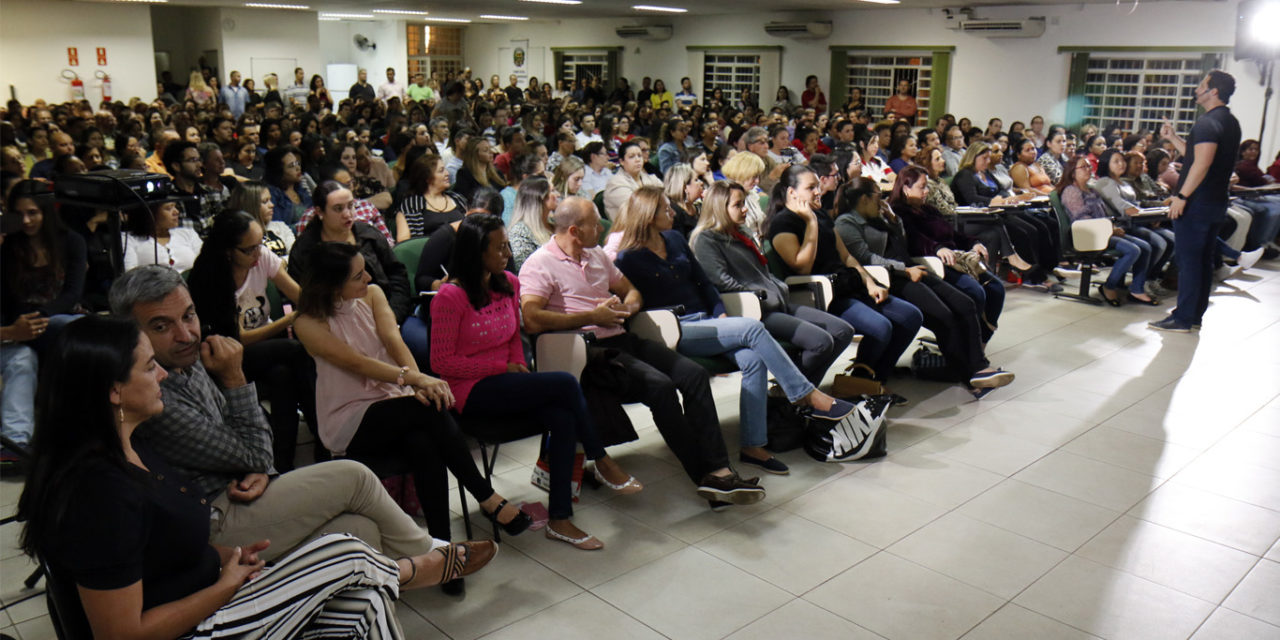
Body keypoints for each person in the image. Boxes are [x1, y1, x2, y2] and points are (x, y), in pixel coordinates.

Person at [15, 315, 495, 639]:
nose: (162, 374)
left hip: (211, 590)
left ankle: (402, 570)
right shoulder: (98, 493)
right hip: (196, 627)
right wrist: (225, 584)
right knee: (347, 554)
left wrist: (229, 556)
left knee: (366, 597)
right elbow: (123, 635)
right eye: (148, 367)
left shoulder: (128, 446)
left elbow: (166, 545)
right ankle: (415, 568)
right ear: (114, 391)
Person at [520, 196, 766, 501]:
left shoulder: (596, 255)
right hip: (585, 350)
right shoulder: (540, 264)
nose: (602, 227)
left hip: (621, 335)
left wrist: (627, 306)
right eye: (595, 223)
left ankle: (719, 470)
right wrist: (589, 317)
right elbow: (530, 318)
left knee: (693, 374)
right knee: (660, 386)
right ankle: (707, 474)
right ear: (574, 230)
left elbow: (631, 290)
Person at [431, 215, 641, 549]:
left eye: (506, 246)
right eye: (498, 248)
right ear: (476, 252)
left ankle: (560, 519)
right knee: (564, 384)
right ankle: (600, 458)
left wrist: (515, 361)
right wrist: (501, 365)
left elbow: (515, 335)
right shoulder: (450, 297)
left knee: (562, 414)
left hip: (503, 381)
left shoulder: (508, 283)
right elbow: (441, 363)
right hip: (469, 391)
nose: (506, 253)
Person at [615, 185, 858, 458]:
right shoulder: (628, 258)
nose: (672, 212)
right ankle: (804, 393)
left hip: (707, 321)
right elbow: (635, 304)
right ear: (648, 215)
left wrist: (719, 311)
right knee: (752, 327)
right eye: (665, 208)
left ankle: (752, 444)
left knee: (752, 360)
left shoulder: (674, 239)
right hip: (674, 328)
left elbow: (704, 283)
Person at [837, 178, 1014, 397]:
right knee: (943, 315)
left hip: (911, 269)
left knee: (964, 303)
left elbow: (901, 242)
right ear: (863, 199)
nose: (881, 200)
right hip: (891, 278)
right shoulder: (846, 223)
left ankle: (978, 365)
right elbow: (865, 257)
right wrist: (903, 269)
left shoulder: (878, 218)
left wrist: (893, 220)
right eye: (877, 196)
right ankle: (971, 375)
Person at [692, 180, 855, 403]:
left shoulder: (743, 232)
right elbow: (721, 282)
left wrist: (778, 289)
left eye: (744, 203)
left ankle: (790, 393)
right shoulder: (706, 240)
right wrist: (763, 294)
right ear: (720, 207)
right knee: (821, 342)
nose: (745, 209)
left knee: (843, 331)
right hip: (753, 310)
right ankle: (795, 397)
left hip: (776, 301)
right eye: (738, 205)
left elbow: (764, 272)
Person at [768, 165, 921, 395]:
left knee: (911, 316)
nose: (818, 192)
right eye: (811, 188)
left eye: (818, 187)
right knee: (881, 327)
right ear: (792, 193)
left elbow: (846, 255)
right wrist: (810, 224)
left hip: (848, 284)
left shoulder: (819, 214)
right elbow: (801, 266)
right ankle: (863, 383)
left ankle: (867, 378)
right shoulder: (784, 223)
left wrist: (869, 282)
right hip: (823, 294)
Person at [187, 210, 316, 472]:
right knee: (296, 351)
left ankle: (282, 461)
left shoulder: (260, 257)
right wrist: (288, 321)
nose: (258, 254)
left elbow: (299, 296)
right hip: (227, 354)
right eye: (249, 249)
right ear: (228, 251)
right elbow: (237, 339)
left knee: (283, 376)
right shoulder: (209, 277)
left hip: (266, 348)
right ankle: (322, 430)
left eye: (261, 244)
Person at [1150, 71, 1242, 331]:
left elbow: (1201, 164)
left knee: (1190, 263)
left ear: (1213, 92)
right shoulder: (1229, 121)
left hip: (1198, 204)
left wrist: (1181, 196)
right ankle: (1193, 316)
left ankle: (1182, 318)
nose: (1196, 89)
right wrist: (1173, 138)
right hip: (1215, 202)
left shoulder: (1206, 122)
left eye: (1201, 85)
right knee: (1201, 262)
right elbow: (1195, 155)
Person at [290, 181, 412, 323]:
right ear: (320, 212)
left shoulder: (369, 234)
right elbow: (301, 297)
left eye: (351, 206)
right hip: (331, 323)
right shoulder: (305, 249)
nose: (348, 214)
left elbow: (397, 275)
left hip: (385, 312)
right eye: (338, 209)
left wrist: (392, 315)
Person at [1058, 155, 1156, 307]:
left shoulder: (1092, 190)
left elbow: (1103, 215)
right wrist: (1110, 229)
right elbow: (1082, 219)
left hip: (1103, 231)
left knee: (1146, 247)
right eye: (1083, 167)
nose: (1088, 170)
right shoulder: (1072, 191)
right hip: (1087, 234)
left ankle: (1137, 288)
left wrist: (1112, 227)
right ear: (1072, 173)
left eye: (1089, 166)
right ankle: (1109, 286)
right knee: (1133, 250)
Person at [1092, 148, 1175, 297]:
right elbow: (1123, 206)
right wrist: (1146, 214)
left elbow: (1137, 204)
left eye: (1122, 161)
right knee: (1158, 243)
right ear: (1106, 164)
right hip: (1121, 225)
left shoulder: (1123, 182)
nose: (1121, 164)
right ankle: (1140, 283)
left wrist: (1152, 213)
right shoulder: (1105, 182)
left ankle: (1146, 280)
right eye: (1116, 161)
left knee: (1168, 241)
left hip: (1134, 222)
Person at [393, 154, 466, 241]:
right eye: (441, 171)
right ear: (427, 178)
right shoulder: (411, 206)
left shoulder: (457, 198)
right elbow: (404, 243)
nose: (447, 173)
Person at [122, 199, 203, 273]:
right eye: (168, 208)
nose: (176, 212)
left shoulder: (188, 233)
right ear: (151, 213)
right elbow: (130, 277)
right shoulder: (128, 239)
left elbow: (206, 263)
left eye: (175, 207)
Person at [508, 176, 559, 270]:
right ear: (541, 197)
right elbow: (522, 267)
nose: (558, 195)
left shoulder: (555, 224)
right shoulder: (520, 231)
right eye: (552, 191)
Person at [603, 140, 662, 220]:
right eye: (632, 157)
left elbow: (666, 200)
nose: (637, 160)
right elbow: (638, 208)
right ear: (622, 161)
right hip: (627, 229)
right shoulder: (615, 183)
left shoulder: (651, 178)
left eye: (639, 155)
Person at [264, 145, 311, 227]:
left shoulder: (302, 190)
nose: (298, 168)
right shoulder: (272, 194)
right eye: (291, 166)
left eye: (298, 163)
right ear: (279, 171)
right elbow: (278, 228)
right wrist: (301, 227)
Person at [452, 136, 506, 203]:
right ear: (475, 154)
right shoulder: (464, 174)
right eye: (485, 150)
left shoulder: (497, 173)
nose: (491, 152)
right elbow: (464, 198)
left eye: (490, 148)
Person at [664, 162, 704, 238]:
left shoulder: (699, 206)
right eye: (696, 180)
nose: (701, 183)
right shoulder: (673, 213)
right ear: (684, 186)